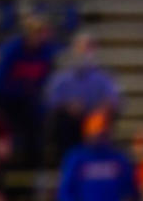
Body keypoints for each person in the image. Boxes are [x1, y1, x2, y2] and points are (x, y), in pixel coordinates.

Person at [0, 11, 56, 165]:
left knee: (38, 124)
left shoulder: (46, 51)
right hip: (6, 99)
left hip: (28, 99)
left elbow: (44, 79)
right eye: (35, 32)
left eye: (41, 33)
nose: (39, 36)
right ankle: (12, 165)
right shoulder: (12, 50)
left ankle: (33, 167)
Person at [45, 32, 122, 163]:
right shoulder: (61, 77)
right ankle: (67, 162)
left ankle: (96, 161)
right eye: (81, 47)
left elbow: (114, 100)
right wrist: (68, 106)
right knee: (60, 120)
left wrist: (102, 108)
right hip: (70, 120)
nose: (84, 51)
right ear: (74, 50)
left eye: (88, 48)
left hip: (93, 118)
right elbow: (51, 101)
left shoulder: (103, 77)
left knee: (99, 121)